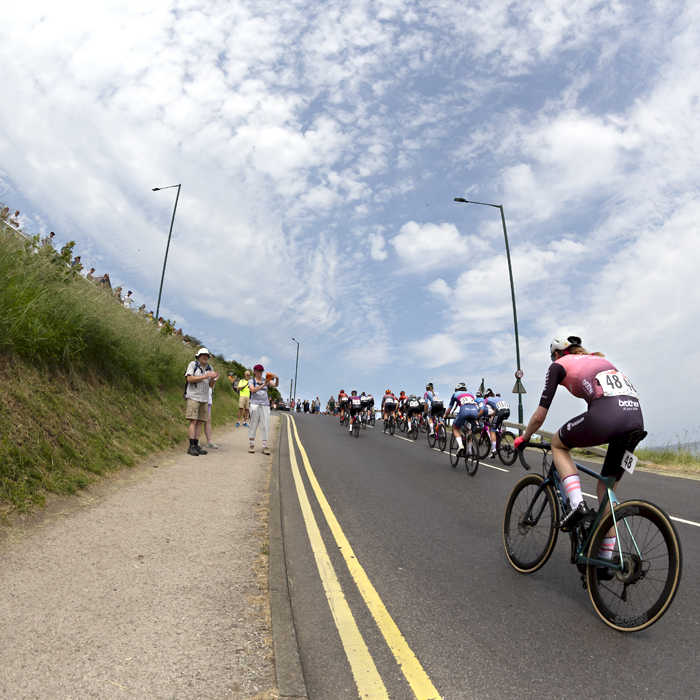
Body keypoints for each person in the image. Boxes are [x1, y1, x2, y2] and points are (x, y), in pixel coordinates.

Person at [515, 335, 643, 537]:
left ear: (556, 354)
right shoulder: (600, 360)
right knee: (606, 491)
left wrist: (524, 438)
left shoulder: (558, 365)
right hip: (635, 419)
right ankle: (609, 560)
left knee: (558, 444)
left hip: (608, 415)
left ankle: (576, 506)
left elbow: (539, 416)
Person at [184, 348, 219, 456]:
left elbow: (211, 385)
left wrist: (213, 378)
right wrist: (205, 376)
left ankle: (196, 445)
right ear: (198, 356)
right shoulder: (192, 364)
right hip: (193, 396)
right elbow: (189, 379)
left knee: (199, 422)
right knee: (193, 421)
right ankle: (191, 446)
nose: (205, 357)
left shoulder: (210, 368)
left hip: (204, 398)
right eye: (203, 355)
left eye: (207, 355)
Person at [248, 364, 279, 454]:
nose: (260, 373)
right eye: (258, 371)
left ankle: (265, 445)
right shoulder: (252, 381)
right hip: (255, 404)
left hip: (265, 405)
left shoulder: (266, 380)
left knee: (265, 424)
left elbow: (275, 385)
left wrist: (277, 378)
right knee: (253, 424)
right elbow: (252, 390)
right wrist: (263, 385)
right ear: (254, 371)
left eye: (261, 371)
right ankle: (251, 444)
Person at [444, 383, 478, 456]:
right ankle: (469, 450)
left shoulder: (455, 394)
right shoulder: (470, 393)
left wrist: (445, 416)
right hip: (475, 411)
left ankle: (460, 445)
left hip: (464, 411)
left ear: (456, 390)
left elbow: (448, 410)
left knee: (455, 428)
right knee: (469, 429)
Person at [479, 390, 510, 458]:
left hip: (500, 412)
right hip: (507, 411)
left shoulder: (486, 399)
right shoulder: (497, 398)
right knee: (497, 425)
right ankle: (500, 435)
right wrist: (490, 415)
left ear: (486, 396)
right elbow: (496, 410)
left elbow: (481, 412)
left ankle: (494, 450)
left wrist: (477, 417)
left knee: (492, 431)